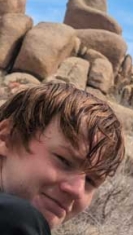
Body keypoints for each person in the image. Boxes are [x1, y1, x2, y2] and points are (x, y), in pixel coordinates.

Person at [0, 82, 126, 234]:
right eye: (64, 161)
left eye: (91, 181)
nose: (77, 190)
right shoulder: (18, 220)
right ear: (6, 137)